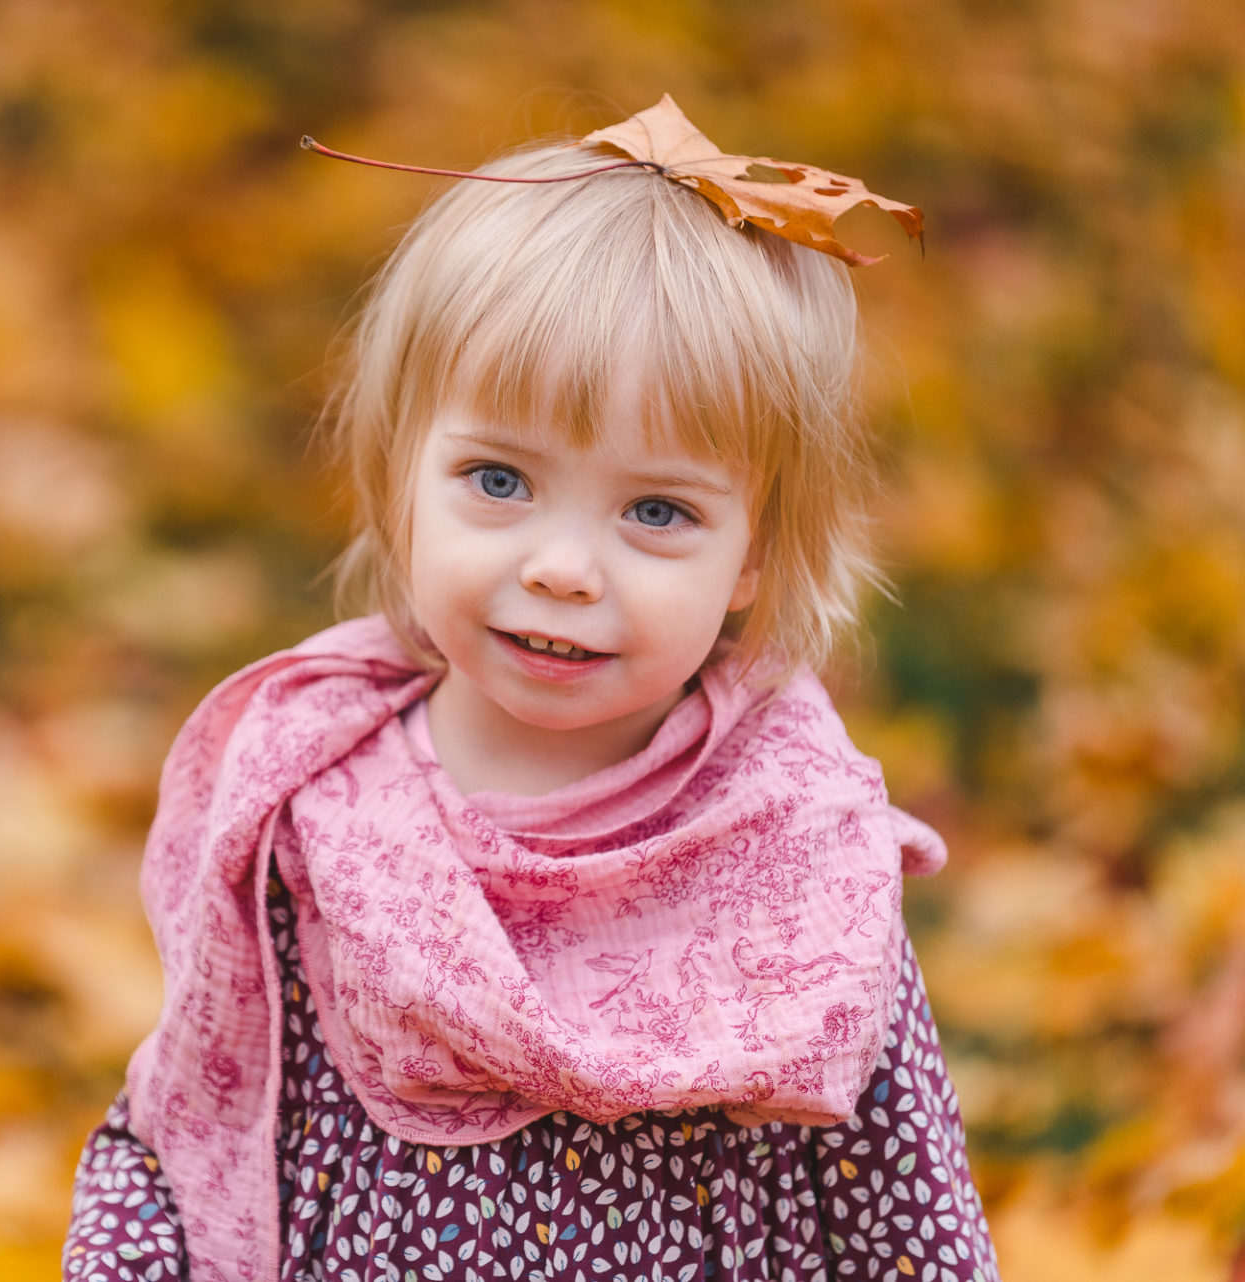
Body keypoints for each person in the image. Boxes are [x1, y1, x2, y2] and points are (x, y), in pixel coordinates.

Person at [63, 99, 1000, 1282]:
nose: (562, 567)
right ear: (401, 473)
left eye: (657, 511)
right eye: (498, 478)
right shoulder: (314, 808)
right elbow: (182, 1130)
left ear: (753, 554)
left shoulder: (796, 850)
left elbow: (909, 1220)